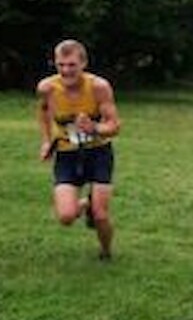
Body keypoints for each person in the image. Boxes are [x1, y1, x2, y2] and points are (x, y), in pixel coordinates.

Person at [36, 39, 121, 261]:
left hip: (98, 152)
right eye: (61, 65)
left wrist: (95, 128)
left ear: (83, 63)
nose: (66, 70)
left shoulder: (98, 87)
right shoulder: (47, 88)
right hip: (67, 154)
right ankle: (85, 204)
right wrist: (46, 141)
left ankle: (105, 251)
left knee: (101, 215)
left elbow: (114, 126)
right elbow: (43, 113)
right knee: (65, 217)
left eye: (71, 65)